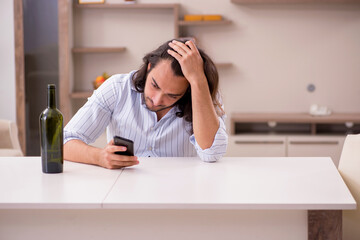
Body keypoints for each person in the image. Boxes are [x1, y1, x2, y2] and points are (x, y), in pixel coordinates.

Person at [64, 38, 228, 169]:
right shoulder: (117, 88)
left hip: (181, 196)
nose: (157, 100)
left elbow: (211, 154)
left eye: (172, 95)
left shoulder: (202, 95)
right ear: (149, 67)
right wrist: (99, 157)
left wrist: (198, 81)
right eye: (155, 85)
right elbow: (63, 142)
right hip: (125, 194)